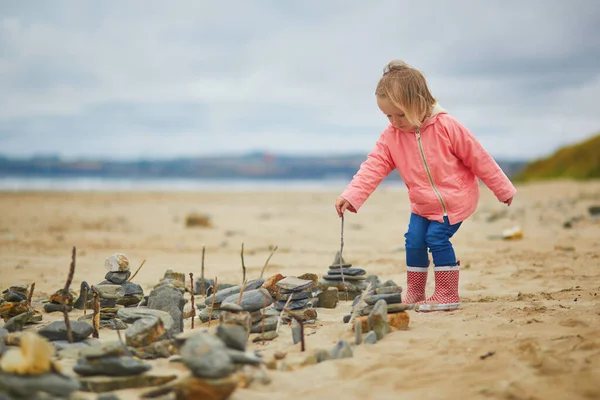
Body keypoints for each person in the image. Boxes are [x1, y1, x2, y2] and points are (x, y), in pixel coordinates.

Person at [334, 60, 516, 312]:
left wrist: (503, 188)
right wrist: (352, 196)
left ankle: (447, 293)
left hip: (455, 200)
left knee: (436, 238)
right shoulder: (391, 137)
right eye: (388, 115)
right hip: (422, 204)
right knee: (414, 241)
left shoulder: (447, 127)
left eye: (400, 114)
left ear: (420, 102)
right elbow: (373, 167)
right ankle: (416, 292)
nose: (395, 121)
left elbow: (478, 157)